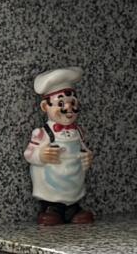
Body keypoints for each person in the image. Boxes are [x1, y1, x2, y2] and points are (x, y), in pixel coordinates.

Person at [24, 65, 95, 225]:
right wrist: (41, 155)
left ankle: (73, 209)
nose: (68, 107)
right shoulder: (42, 133)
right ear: (45, 107)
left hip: (73, 183)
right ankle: (51, 209)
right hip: (51, 185)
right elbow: (29, 154)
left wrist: (87, 156)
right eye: (61, 103)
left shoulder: (79, 132)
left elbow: (84, 148)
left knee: (75, 204)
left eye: (72, 102)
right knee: (52, 211)